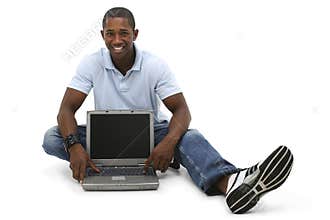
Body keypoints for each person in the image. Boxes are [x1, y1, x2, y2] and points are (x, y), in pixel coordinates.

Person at [42, 7, 294, 214]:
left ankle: (231, 183)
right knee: (54, 137)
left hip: (151, 135)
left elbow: (181, 109)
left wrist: (169, 142)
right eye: (110, 33)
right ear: (102, 35)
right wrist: (74, 146)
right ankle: (111, 159)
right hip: (106, 138)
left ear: (135, 34)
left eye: (123, 33)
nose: (117, 40)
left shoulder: (155, 65)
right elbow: (66, 109)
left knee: (189, 136)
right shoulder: (91, 63)